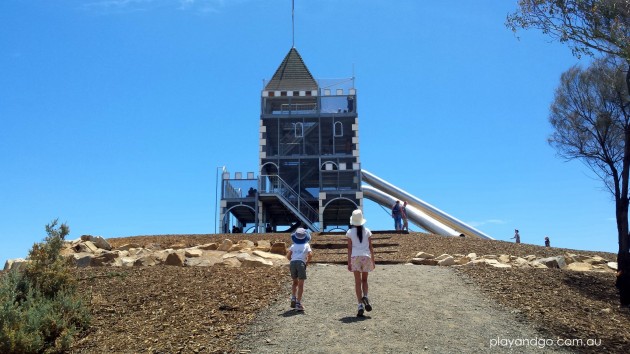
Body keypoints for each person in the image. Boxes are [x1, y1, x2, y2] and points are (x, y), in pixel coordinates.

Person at [347, 209, 375, 317]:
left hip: (355, 257)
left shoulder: (349, 232)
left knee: (357, 282)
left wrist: (349, 262)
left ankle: (359, 305)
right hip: (366, 256)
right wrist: (373, 260)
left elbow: (349, 248)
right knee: (365, 280)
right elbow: (370, 247)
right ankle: (366, 296)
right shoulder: (367, 231)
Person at [286, 228, 313, 312]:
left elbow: (288, 256)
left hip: (292, 263)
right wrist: (306, 262)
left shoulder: (293, 245)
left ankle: (293, 297)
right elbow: (310, 255)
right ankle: (298, 303)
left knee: (295, 282)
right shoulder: (306, 245)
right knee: (301, 284)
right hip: (301, 263)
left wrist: (293, 259)